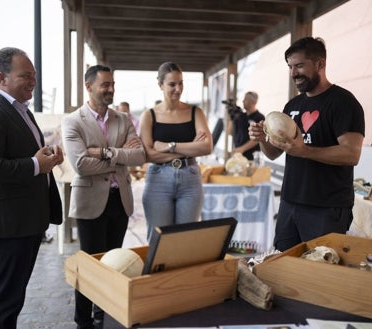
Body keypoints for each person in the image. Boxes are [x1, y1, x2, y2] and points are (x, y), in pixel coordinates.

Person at [0, 47, 63, 329]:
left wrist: (45, 157)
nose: (33, 81)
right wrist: (35, 164)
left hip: (25, 222)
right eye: (26, 75)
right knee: (6, 302)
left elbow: (21, 155)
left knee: (13, 299)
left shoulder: (19, 109)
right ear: (1, 77)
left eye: (34, 75)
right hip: (9, 226)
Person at [249, 37, 365, 251]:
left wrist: (304, 151)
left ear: (320, 64)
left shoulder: (343, 102)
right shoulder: (293, 105)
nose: (294, 73)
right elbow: (273, 153)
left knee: (320, 273)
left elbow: (351, 154)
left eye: (300, 66)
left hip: (327, 208)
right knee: (284, 268)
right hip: (290, 202)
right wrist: (262, 139)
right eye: (290, 67)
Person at [61, 64, 145, 329]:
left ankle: (105, 316)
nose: (110, 89)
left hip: (119, 201)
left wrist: (105, 153)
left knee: (114, 264)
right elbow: (81, 165)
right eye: (104, 85)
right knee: (89, 265)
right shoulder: (73, 121)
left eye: (112, 85)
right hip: (89, 202)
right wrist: (121, 156)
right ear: (89, 86)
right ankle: (83, 321)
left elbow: (140, 156)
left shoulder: (122, 118)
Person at [139, 62, 213, 241]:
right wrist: (189, 149)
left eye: (181, 83)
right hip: (158, 180)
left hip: (190, 179)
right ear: (160, 85)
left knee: (185, 240)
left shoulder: (196, 112)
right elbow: (148, 155)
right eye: (172, 84)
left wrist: (169, 146)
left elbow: (207, 147)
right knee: (158, 239)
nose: (178, 88)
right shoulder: (149, 115)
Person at [229, 92, 265, 160]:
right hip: (238, 155)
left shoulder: (259, 118)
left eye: (245, 99)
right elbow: (230, 132)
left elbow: (258, 138)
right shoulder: (240, 116)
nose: (243, 101)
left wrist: (242, 149)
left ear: (253, 102)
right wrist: (232, 118)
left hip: (252, 156)